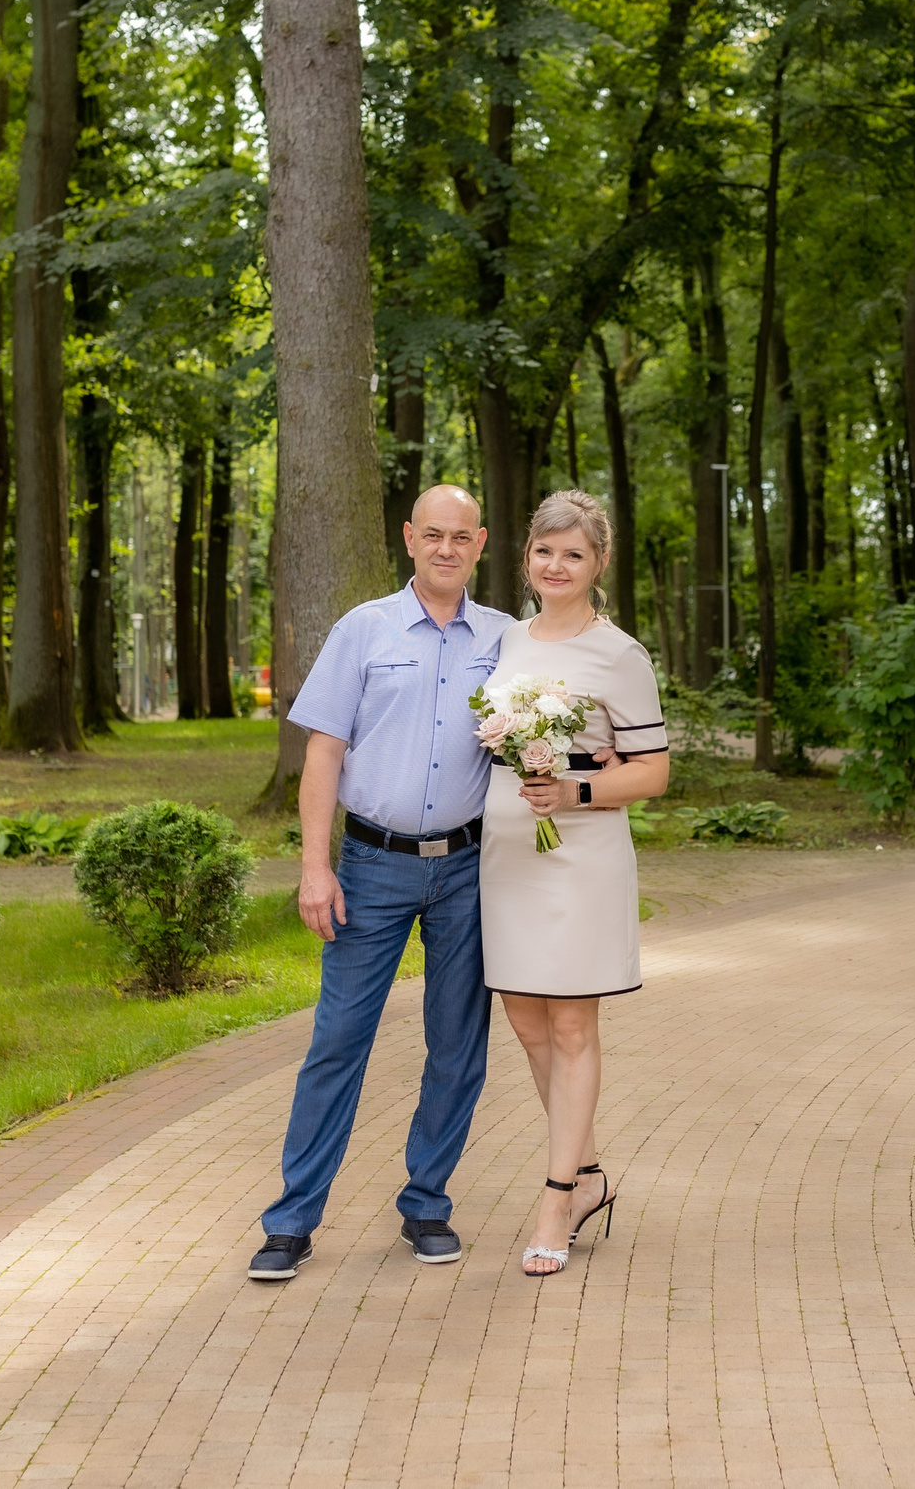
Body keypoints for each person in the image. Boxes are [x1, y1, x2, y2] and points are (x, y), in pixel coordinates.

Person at [248, 485, 510, 1281]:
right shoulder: (362, 629)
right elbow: (323, 753)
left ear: (481, 543)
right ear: (408, 537)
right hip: (371, 865)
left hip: (467, 869)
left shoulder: (507, 640)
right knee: (338, 1040)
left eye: (460, 536)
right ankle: (291, 1221)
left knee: (458, 1045)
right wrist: (314, 866)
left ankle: (427, 1203)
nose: (445, 548)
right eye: (432, 534)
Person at [477, 489, 671, 1276]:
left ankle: (557, 1197)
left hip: (580, 855)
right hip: (509, 851)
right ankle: (589, 1173)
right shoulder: (507, 638)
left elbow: (652, 771)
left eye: (574, 553)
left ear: (600, 563)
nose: (556, 565)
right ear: (526, 555)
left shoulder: (619, 653)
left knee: (570, 1027)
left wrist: (577, 790)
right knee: (526, 1022)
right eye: (544, 550)